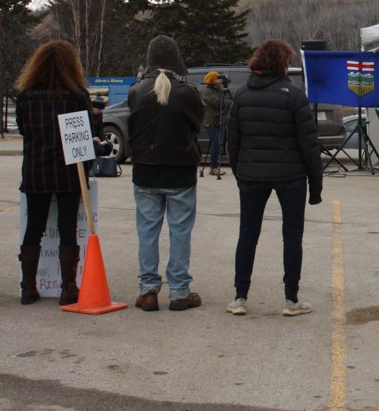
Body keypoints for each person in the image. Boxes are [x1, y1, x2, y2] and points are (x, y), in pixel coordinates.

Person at [225, 39, 323, 317]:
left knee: (247, 234)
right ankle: (291, 299)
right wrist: (315, 184)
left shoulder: (241, 95)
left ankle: (239, 297)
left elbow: (233, 142)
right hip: (290, 175)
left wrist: (240, 172)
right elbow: (309, 144)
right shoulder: (293, 95)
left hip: (251, 175)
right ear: (282, 64)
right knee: (292, 236)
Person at [127, 36, 204, 312]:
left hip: (146, 171)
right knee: (180, 231)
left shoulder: (137, 90)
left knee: (147, 231)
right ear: (175, 59)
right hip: (180, 171)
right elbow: (197, 124)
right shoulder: (187, 92)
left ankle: (148, 290)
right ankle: (179, 291)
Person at [15, 40, 93, 306]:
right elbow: (85, 137)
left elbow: (24, 131)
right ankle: (68, 288)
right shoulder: (77, 95)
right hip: (69, 172)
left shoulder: (25, 97)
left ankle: (27, 287)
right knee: (67, 228)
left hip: (36, 171)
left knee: (33, 228)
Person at [201, 71, 230, 177]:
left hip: (219, 122)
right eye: (218, 78)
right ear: (212, 80)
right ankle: (213, 167)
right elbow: (219, 103)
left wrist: (227, 101)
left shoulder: (220, 90)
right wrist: (227, 102)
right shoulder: (208, 92)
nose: (220, 80)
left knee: (219, 143)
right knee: (216, 143)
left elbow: (228, 102)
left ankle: (214, 167)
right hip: (210, 122)